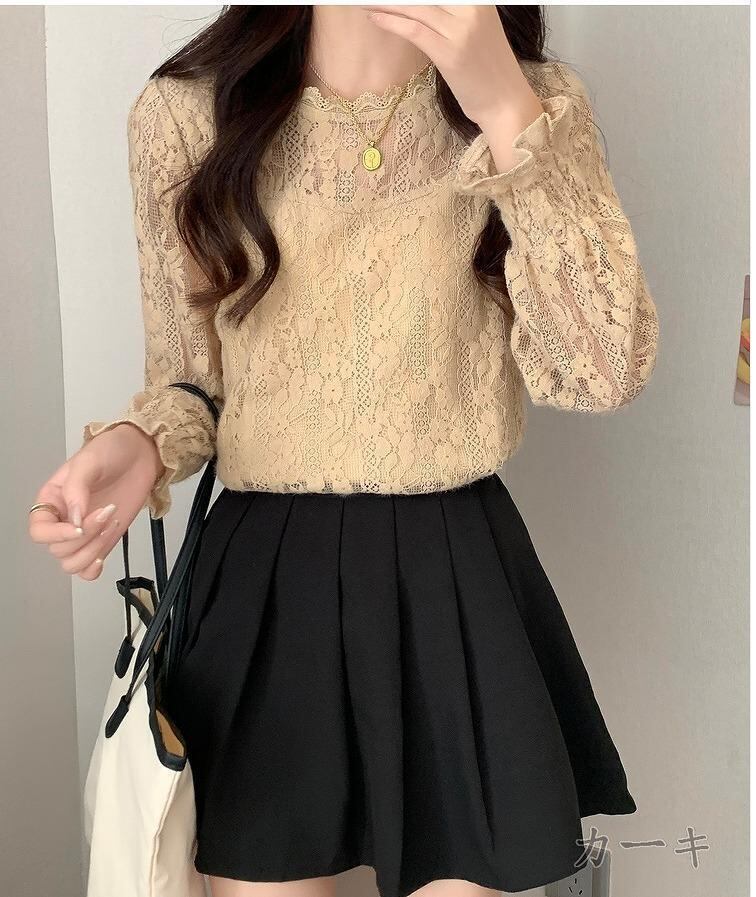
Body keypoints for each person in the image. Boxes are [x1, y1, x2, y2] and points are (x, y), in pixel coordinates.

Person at [28, 6, 659, 897]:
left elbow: (602, 369)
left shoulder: (535, 100)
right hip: (266, 588)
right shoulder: (187, 113)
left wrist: (506, 112)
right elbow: (190, 378)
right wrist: (142, 444)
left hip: (456, 579)